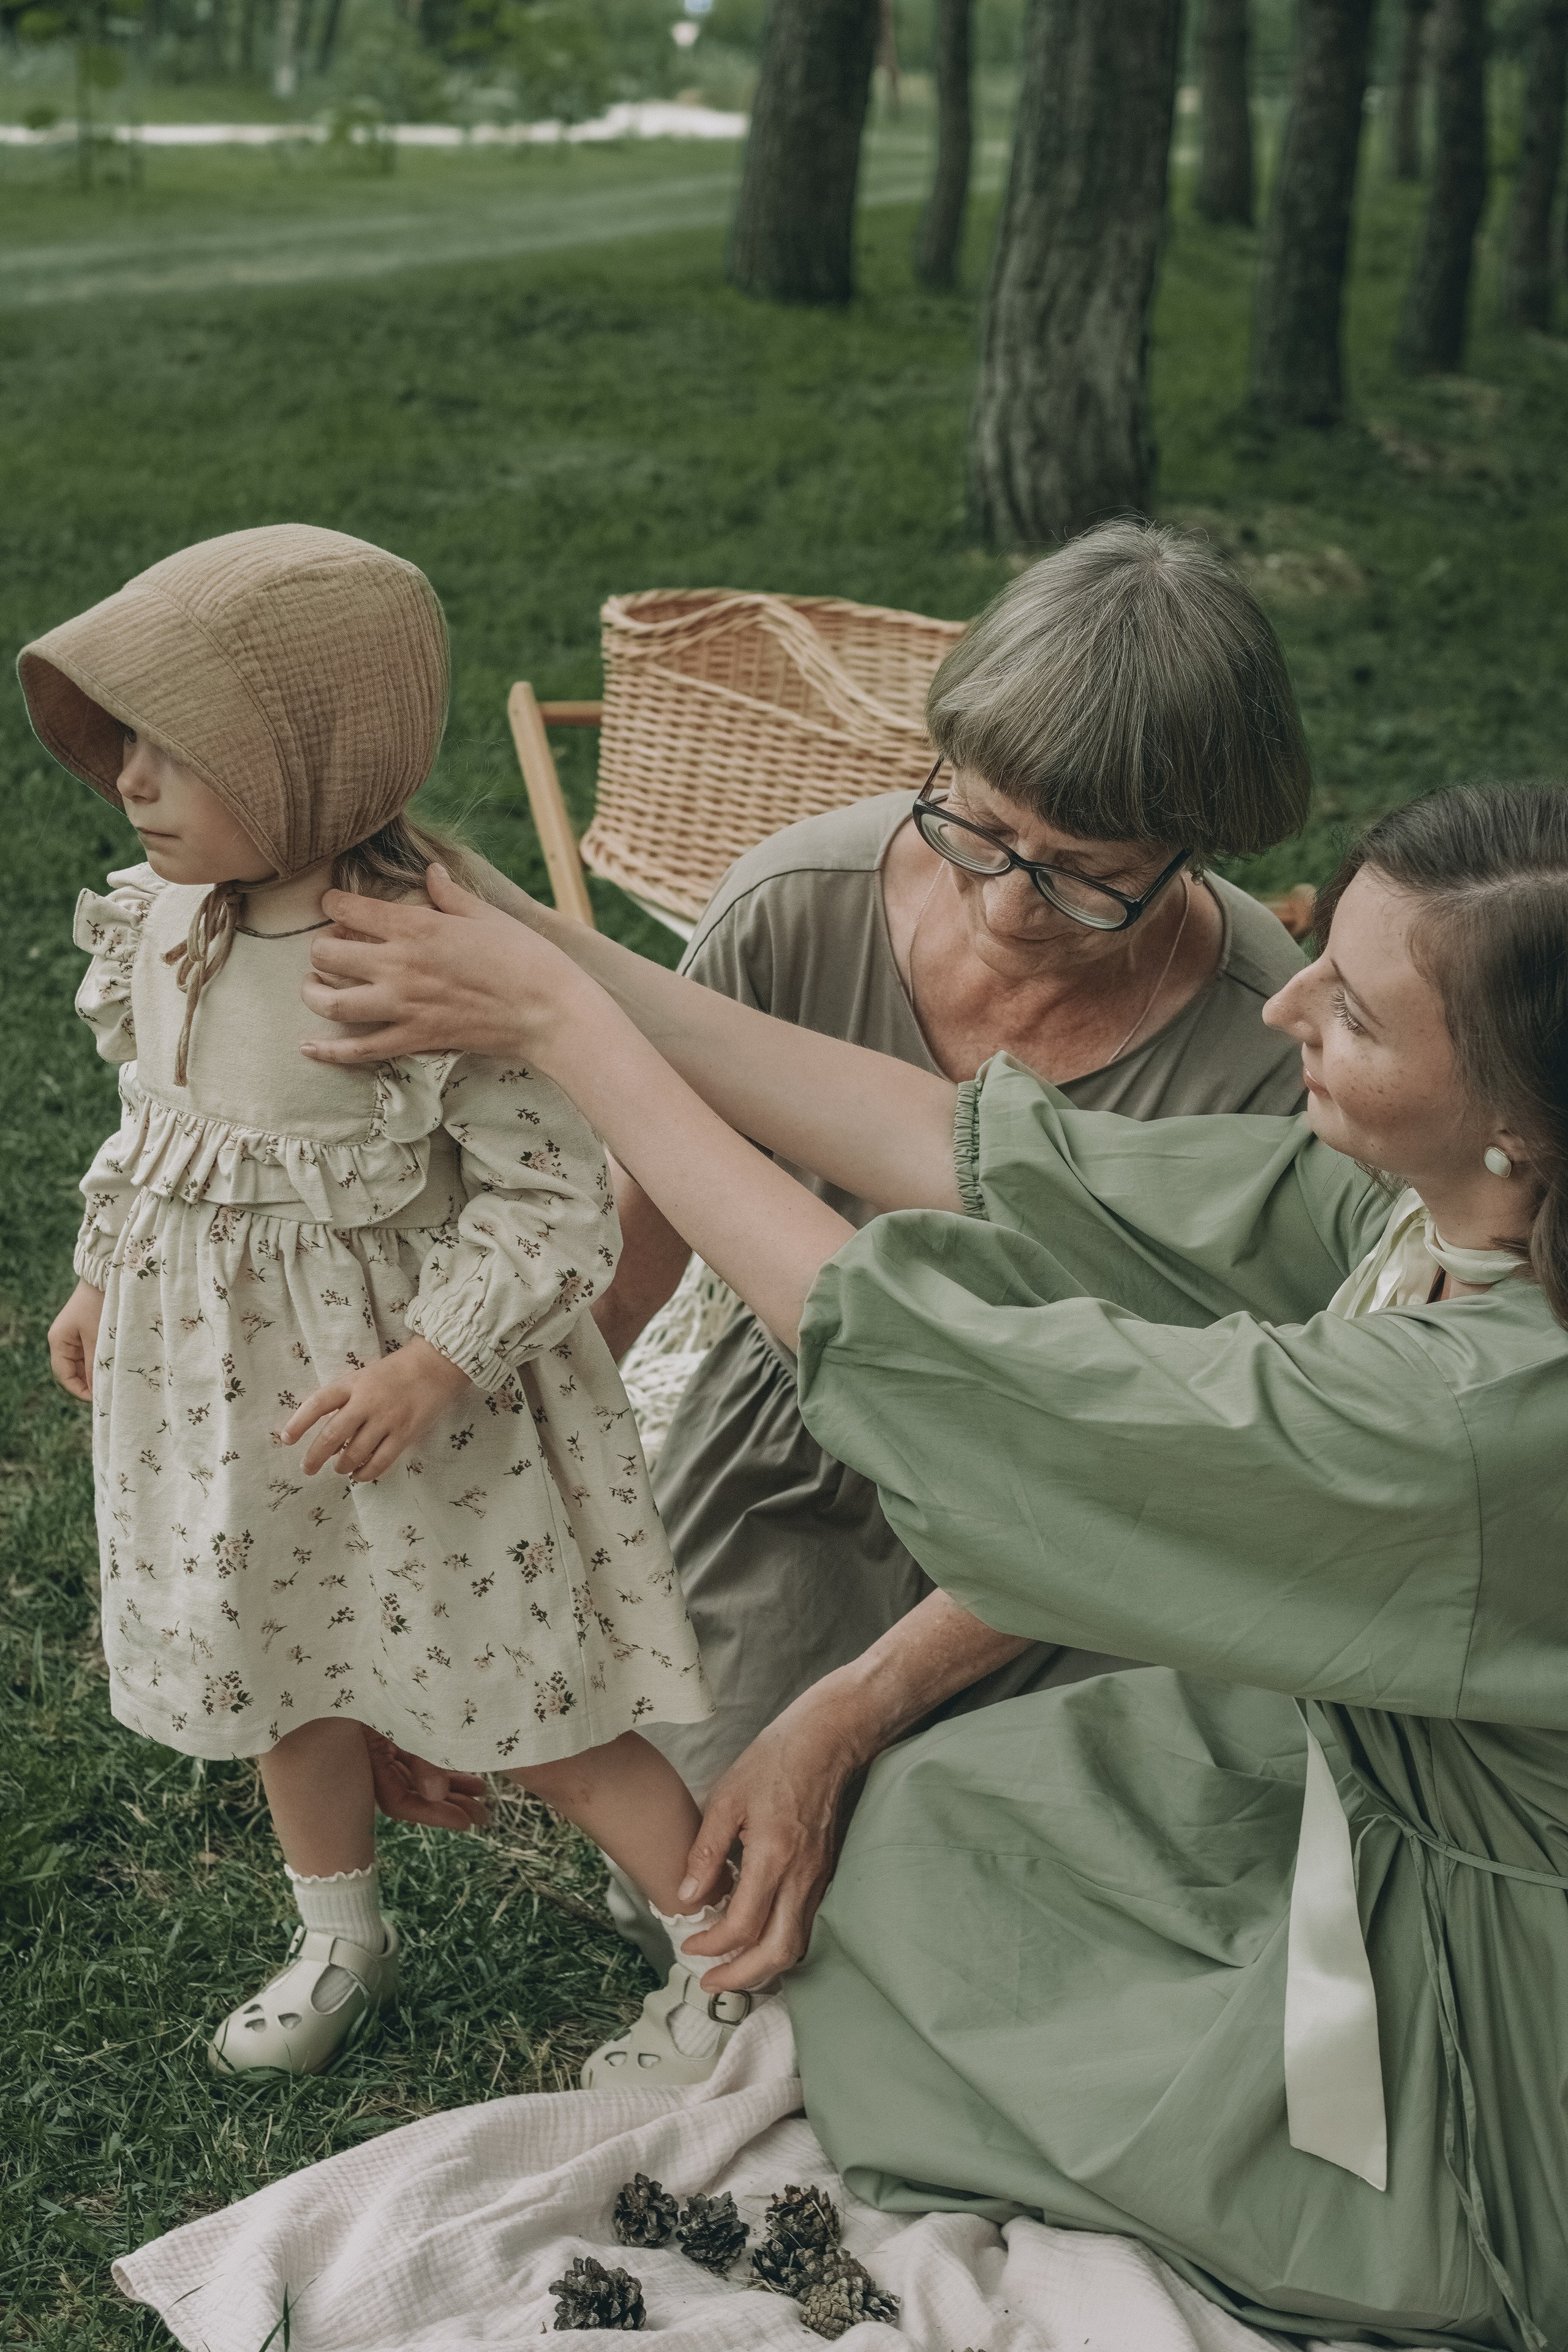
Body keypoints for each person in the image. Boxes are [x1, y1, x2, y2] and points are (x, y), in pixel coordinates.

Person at [300, 779, 1568, 2348]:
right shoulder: (1452, 1205)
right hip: (1355, 1770)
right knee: (920, 1831)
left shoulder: (1479, 1418)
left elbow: (987, 1392)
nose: (1288, 997)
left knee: (925, 1956)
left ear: (1517, 1117)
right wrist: (516, 927)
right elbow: (993, 1157)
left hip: (1492, 2002)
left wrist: (572, 1038)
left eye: (1357, 1013)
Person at [26, 525, 751, 2087]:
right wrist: (102, 1269)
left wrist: (438, 1361)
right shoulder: (160, 923)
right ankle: (338, 1927)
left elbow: (552, 1197)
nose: (130, 778)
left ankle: (721, 1961)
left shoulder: (411, 955)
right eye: (124, 739)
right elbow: (156, 1127)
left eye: (176, 746)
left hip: (420, 1422)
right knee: (284, 1671)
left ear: (307, 762)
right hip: (240, 1406)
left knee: (532, 1701)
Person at [601, 524, 1317, 1963]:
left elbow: (1185, 1460)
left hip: (1097, 1504)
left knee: (1031, 1898)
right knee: (690, 1875)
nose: (1003, 905)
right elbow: (637, 1246)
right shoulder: (792, 906)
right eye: (976, 827)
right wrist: (521, 1533)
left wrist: (859, 1707)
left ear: (1195, 844)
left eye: (1076, 872)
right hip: (802, 1448)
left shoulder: (1269, 1038)